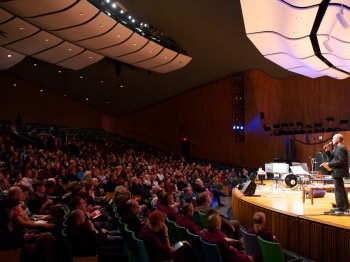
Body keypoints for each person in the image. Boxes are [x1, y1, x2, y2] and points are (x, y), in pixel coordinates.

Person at [323, 134, 350, 213]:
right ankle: (345, 206)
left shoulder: (341, 148)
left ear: (338, 140)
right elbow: (332, 158)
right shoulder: (337, 148)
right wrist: (327, 151)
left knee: (338, 190)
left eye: (333, 138)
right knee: (341, 189)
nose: (332, 140)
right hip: (338, 171)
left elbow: (341, 161)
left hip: (339, 171)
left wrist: (329, 164)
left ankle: (340, 207)